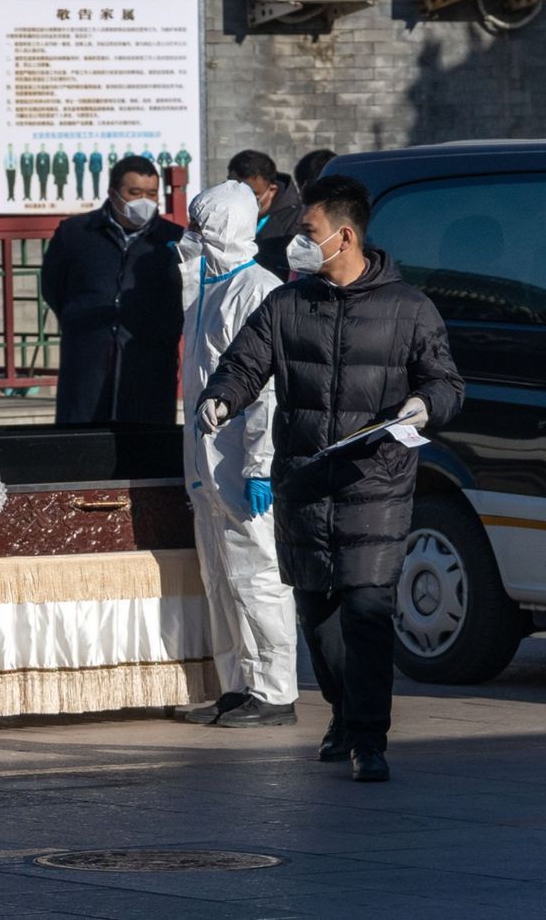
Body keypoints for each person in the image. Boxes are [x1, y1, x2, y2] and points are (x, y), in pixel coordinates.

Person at [198, 175, 465, 783]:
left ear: (343, 237)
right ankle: (344, 717)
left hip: (376, 482)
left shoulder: (409, 309)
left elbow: (446, 383)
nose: (297, 241)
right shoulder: (289, 305)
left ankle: (370, 740)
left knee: (367, 611)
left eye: (307, 232)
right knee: (318, 617)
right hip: (304, 480)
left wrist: (425, 407)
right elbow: (244, 363)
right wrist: (221, 398)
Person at [177, 181, 298, 729]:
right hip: (206, 466)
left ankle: (276, 691)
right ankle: (237, 685)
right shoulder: (206, 289)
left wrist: (259, 464)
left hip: (244, 467)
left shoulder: (258, 291)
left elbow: (269, 392)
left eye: (202, 229)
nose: (193, 238)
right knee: (220, 579)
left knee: (258, 578)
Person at [39, 155, 183, 425]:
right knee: (82, 440)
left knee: (147, 445)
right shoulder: (76, 233)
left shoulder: (173, 239)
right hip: (88, 354)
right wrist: (79, 318)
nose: (144, 201)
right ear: (113, 193)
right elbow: (53, 286)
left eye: (152, 194)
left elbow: (181, 297)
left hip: (148, 358)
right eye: (134, 192)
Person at [228, 149, 306, 282]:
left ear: (272, 189)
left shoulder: (295, 220)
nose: (242, 199)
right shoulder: (228, 215)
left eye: (252, 193)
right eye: (235, 191)